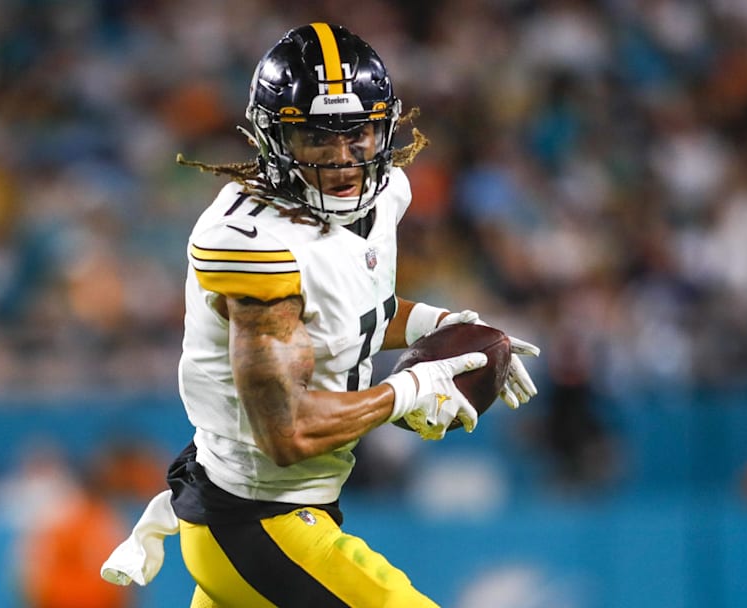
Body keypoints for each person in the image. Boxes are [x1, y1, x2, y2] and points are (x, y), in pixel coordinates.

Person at [103, 23, 540, 607]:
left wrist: (431, 326)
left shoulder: (386, 196)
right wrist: (409, 389)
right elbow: (288, 432)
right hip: (257, 525)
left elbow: (344, 319)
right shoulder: (254, 242)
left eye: (357, 134)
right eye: (316, 138)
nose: (342, 160)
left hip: (276, 518)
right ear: (273, 140)